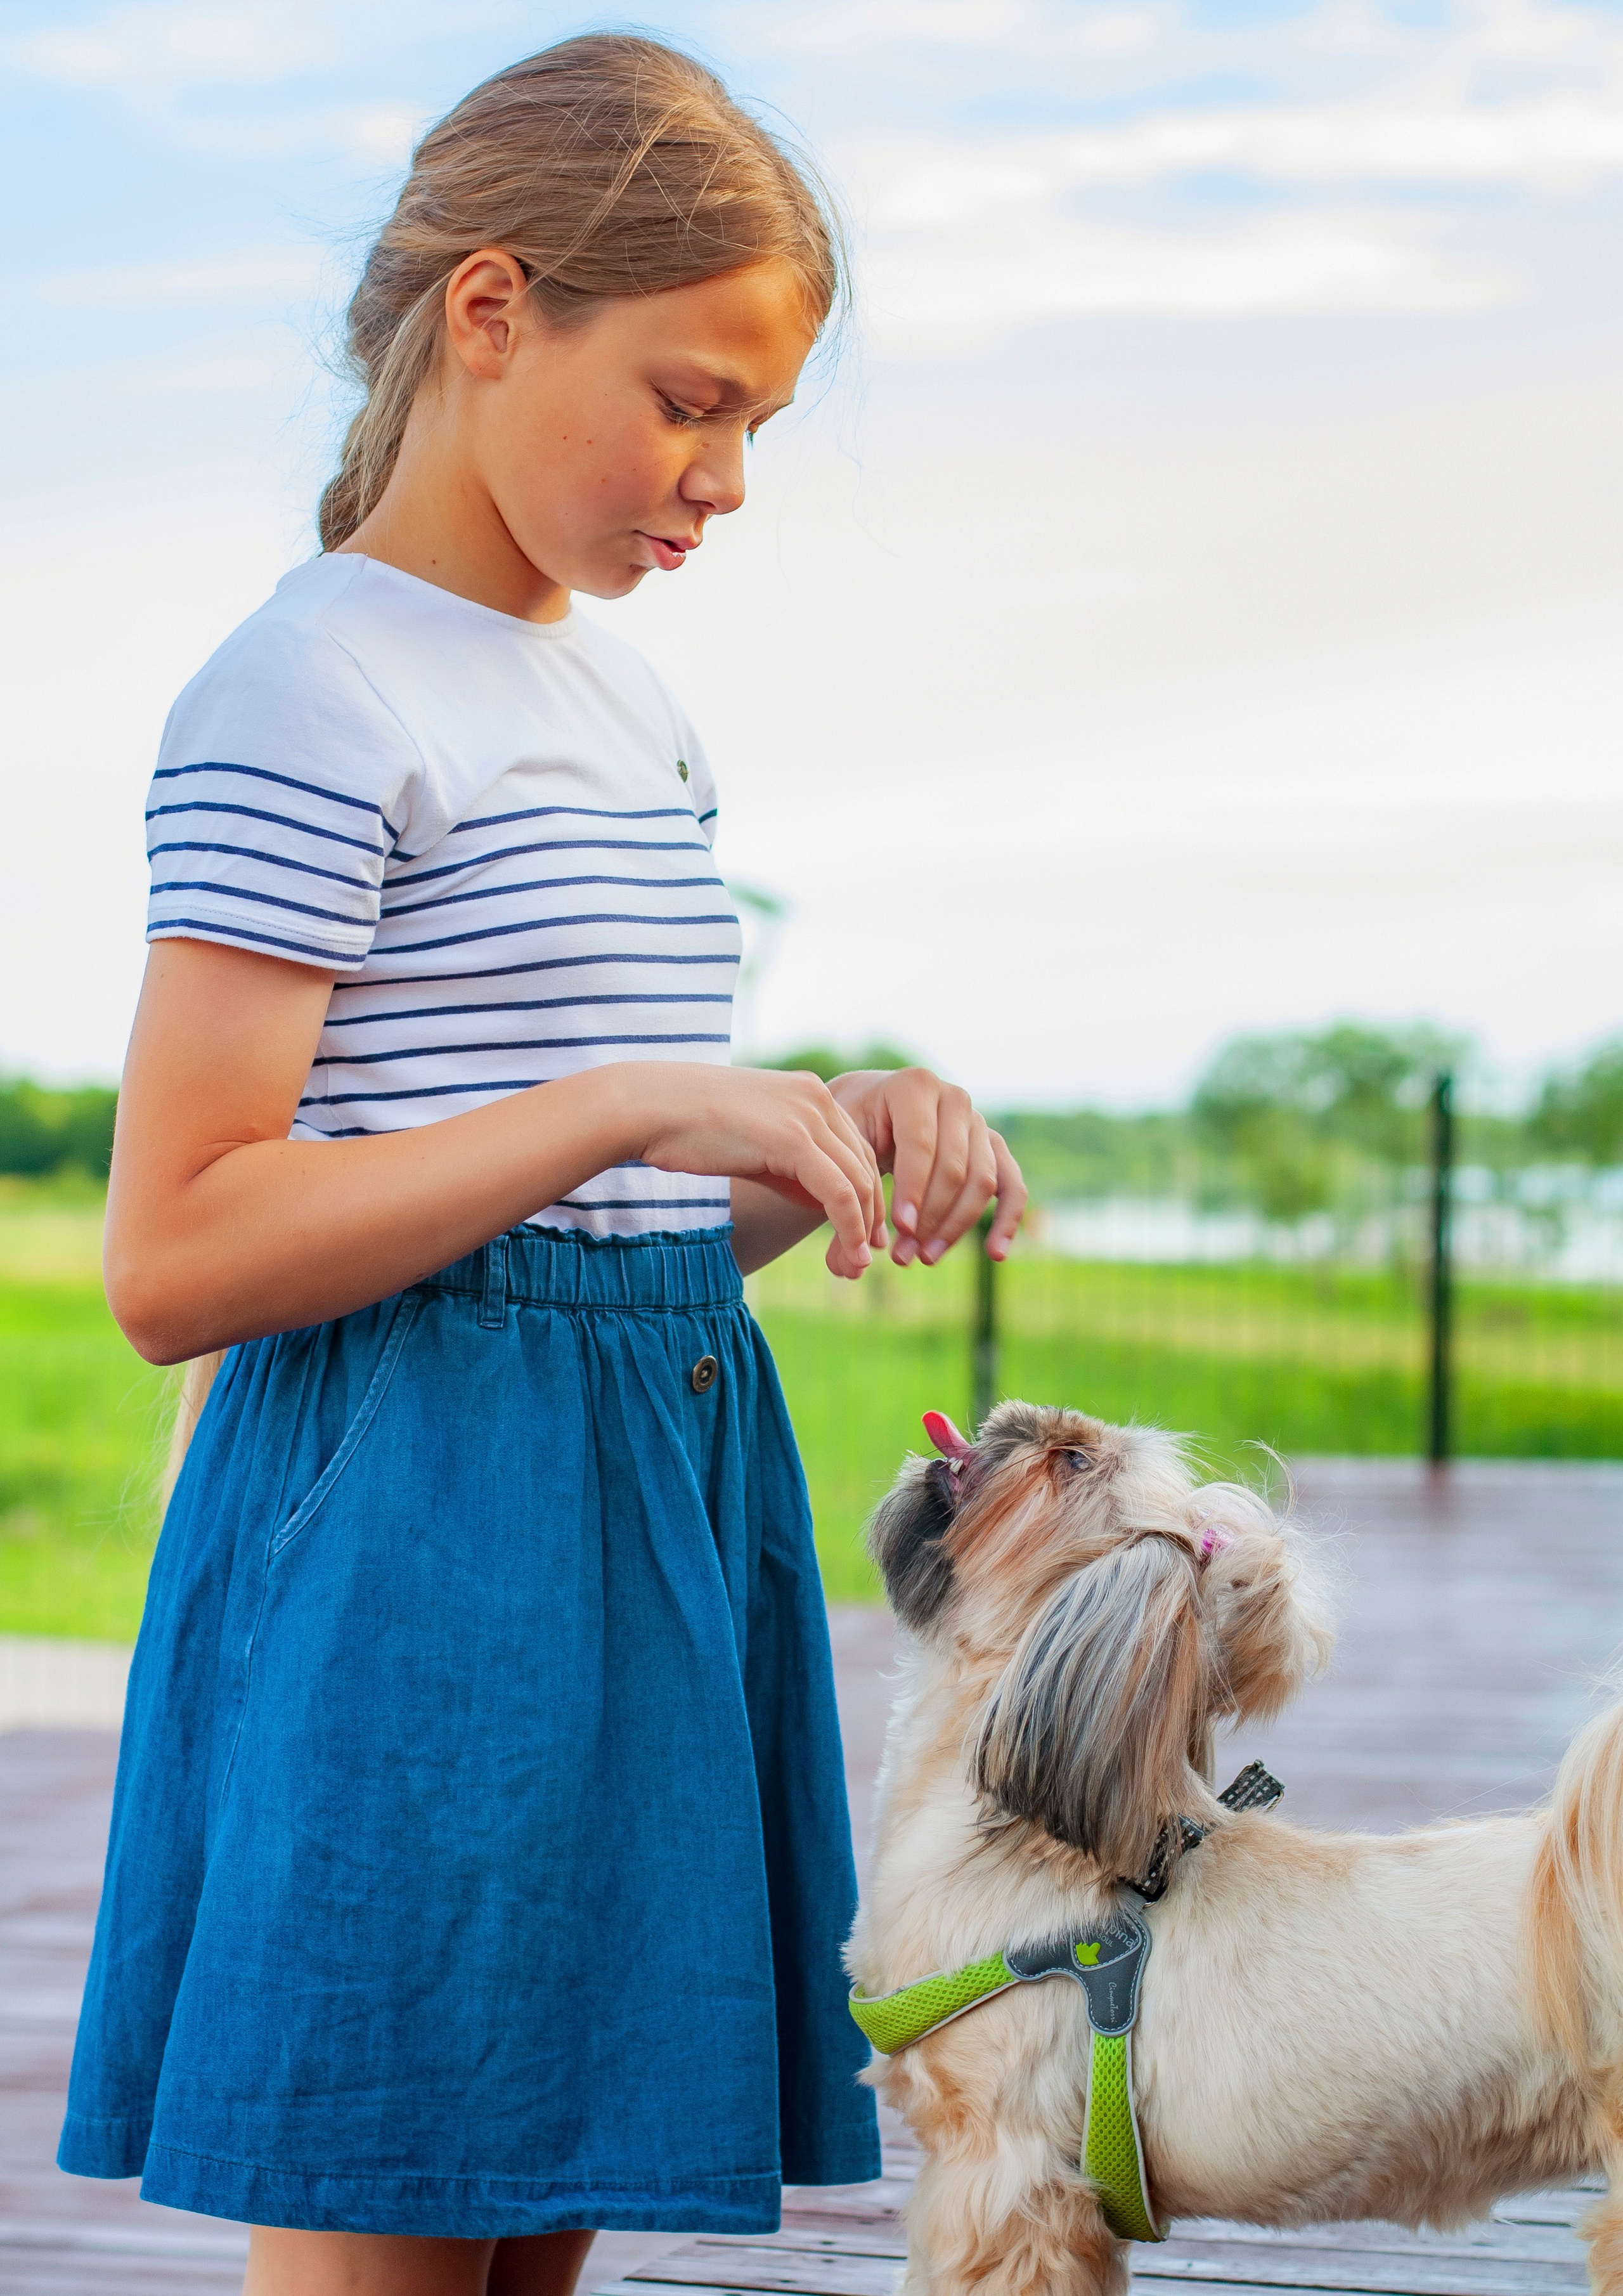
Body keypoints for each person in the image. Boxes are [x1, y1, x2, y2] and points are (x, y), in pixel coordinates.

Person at [57, 36, 1025, 2296]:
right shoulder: (307, 691)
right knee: (399, 2200)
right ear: (493, 312)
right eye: (693, 398)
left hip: (649, 1508)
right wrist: (630, 1102)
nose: (729, 478)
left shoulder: (623, 703)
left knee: (535, 2229)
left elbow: (602, 1238)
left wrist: (826, 1144)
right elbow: (178, 1251)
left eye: (761, 427)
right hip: (416, 1550)